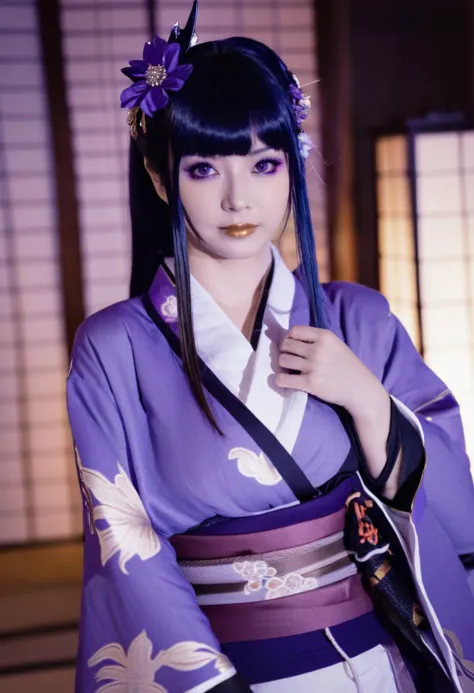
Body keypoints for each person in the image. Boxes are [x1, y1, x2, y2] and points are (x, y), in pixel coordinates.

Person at [66, 3, 474, 691]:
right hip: (230, 673)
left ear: (295, 164)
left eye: (263, 164)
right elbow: (126, 550)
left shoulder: (360, 318)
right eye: (202, 170)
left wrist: (369, 401)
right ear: (160, 178)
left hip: (380, 659)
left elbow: (453, 503)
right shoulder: (113, 349)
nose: (238, 199)